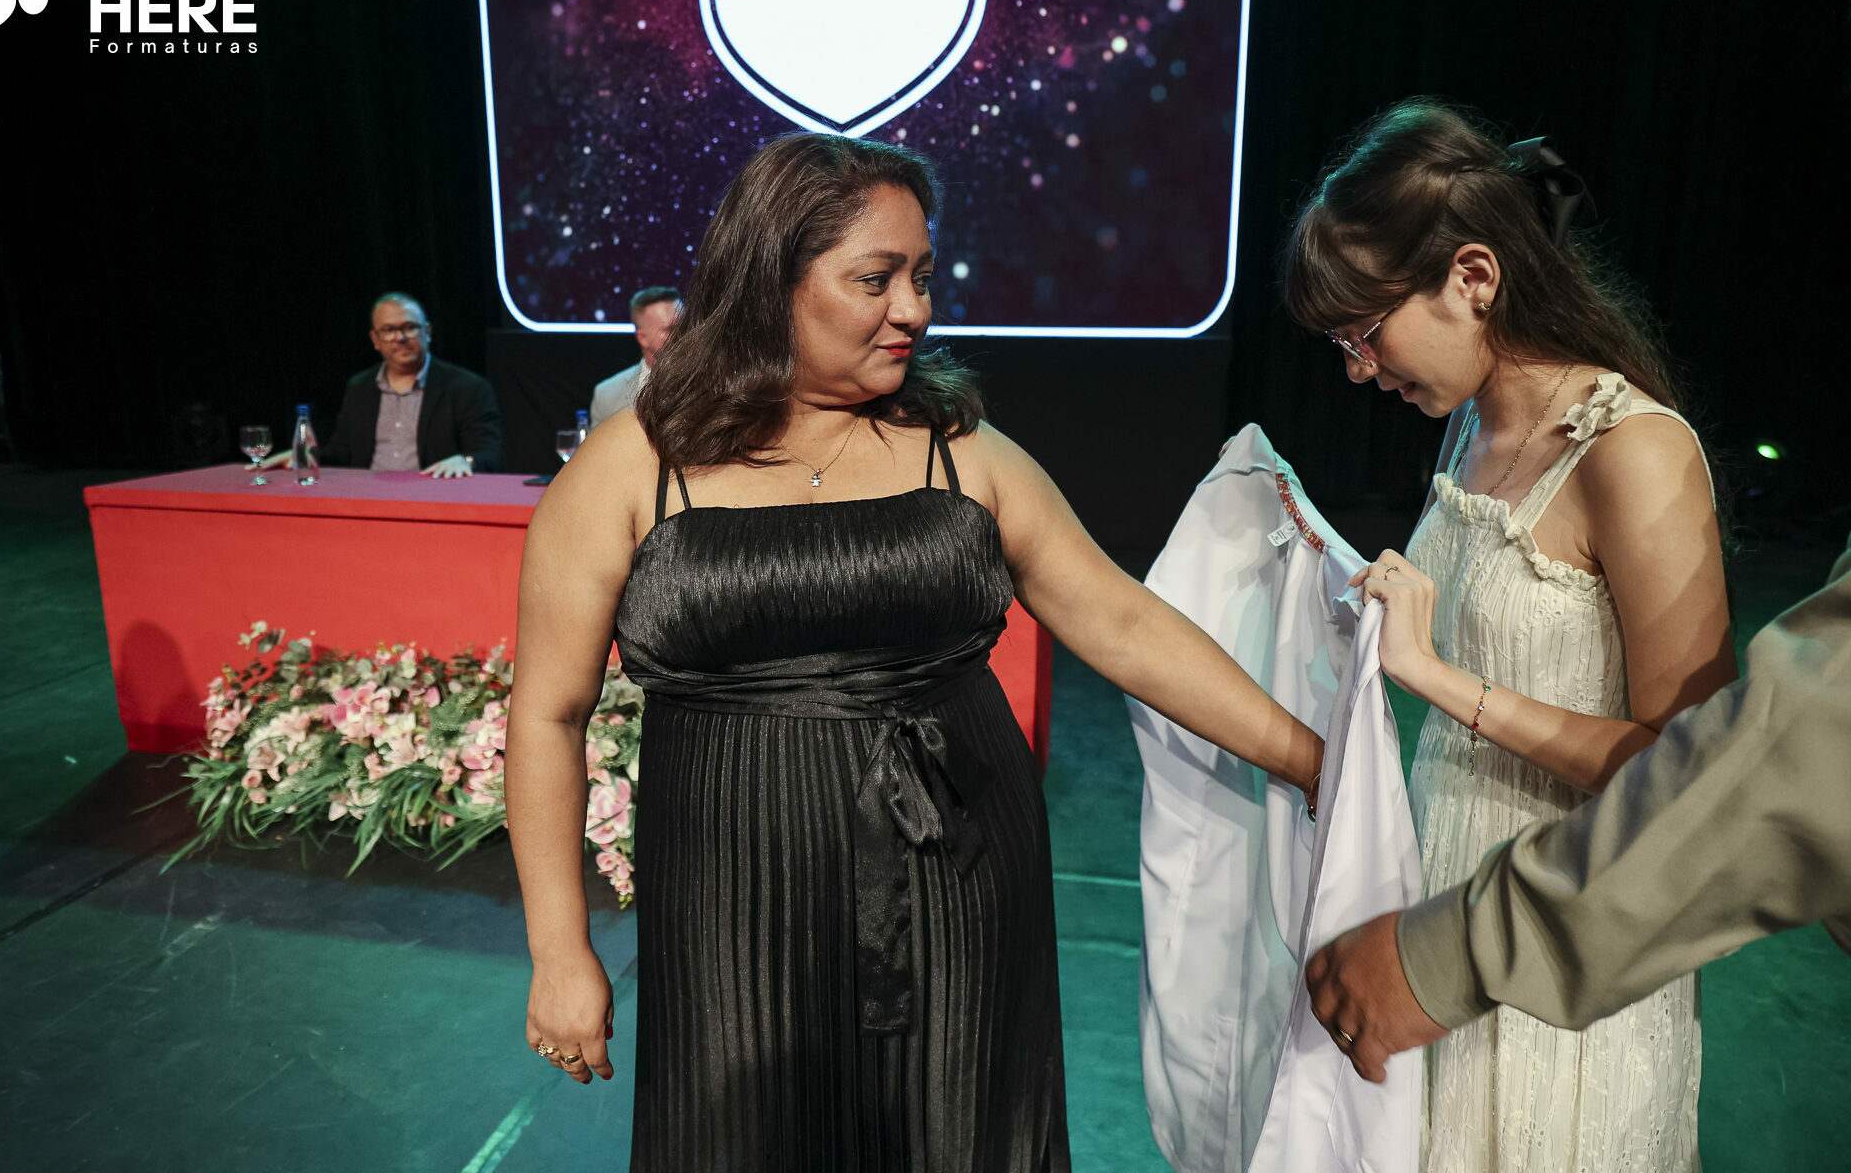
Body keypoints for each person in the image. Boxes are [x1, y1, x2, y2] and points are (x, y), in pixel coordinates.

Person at [503, 133, 1325, 1171]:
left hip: (960, 883)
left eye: (924, 277)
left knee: (957, 1132)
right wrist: (559, 950)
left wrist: (1315, 761)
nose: (914, 309)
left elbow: (1121, 622)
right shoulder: (635, 463)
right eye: (876, 279)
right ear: (773, 281)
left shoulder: (960, 448)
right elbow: (548, 715)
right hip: (729, 905)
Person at [1281, 99, 1734, 1172]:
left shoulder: (1635, 451)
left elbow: (1701, 771)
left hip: (1571, 938)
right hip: (1449, 908)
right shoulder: (1469, 424)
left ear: (1473, 277)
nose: (1358, 369)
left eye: (1364, 332)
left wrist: (1441, 680)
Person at [1304, 534, 1851, 1079]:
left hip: (1571, 913)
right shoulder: (1465, 459)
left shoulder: (1647, 476)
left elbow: (1723, 765)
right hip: (1444, 855)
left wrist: (1458, 951)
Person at [250, 293, 503, 477]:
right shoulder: (360, 387)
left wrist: (466, 460)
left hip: (435, 497)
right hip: (369, 498)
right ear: (375, 339)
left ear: (427, 332)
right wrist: (305, 456)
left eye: (410, 328)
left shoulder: (468, 388)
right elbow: (341, 453)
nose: (400, 338)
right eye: (389, 330)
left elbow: (489, 453)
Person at [589, 286, 681, 426]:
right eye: (670, 329)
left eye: (685, 325)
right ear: (642, 338)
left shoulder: (710, 383)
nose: (682, 334)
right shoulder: (607, 395)